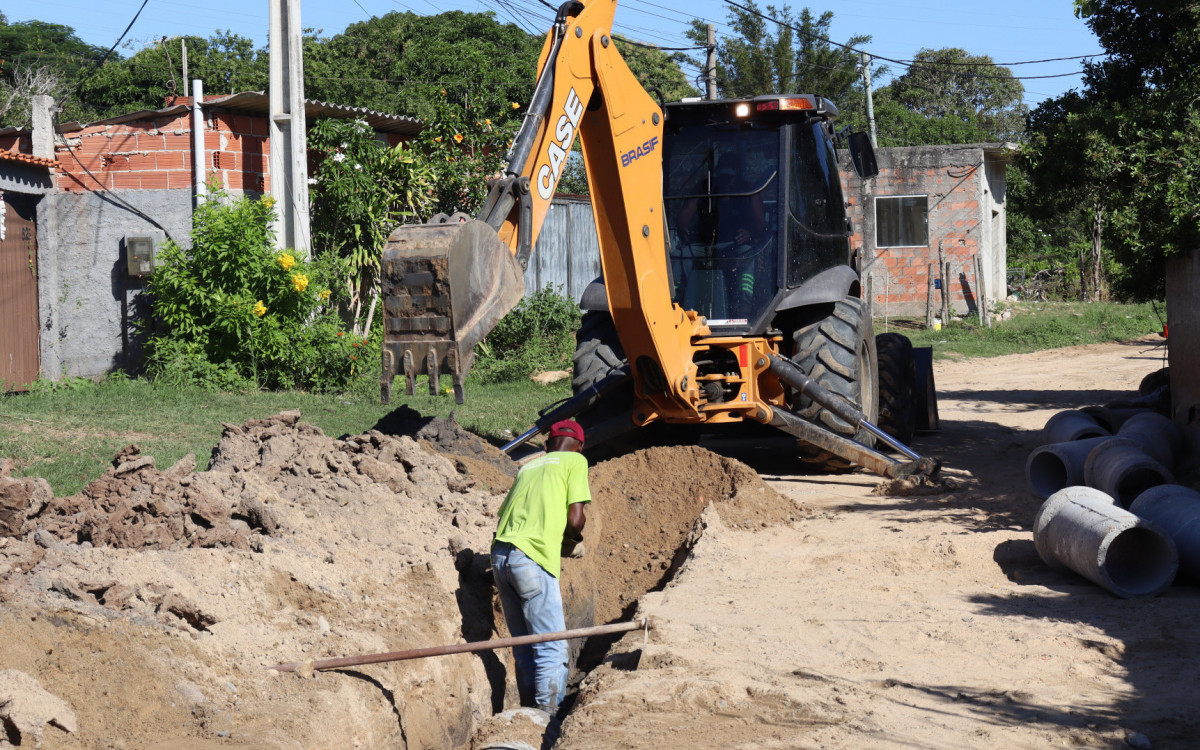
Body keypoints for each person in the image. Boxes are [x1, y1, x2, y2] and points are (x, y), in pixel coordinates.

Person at [491, 419, 591, 714]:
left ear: (547, 445)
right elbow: (575, 519)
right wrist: (570, 540)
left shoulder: (528, 467)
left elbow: (508, 518)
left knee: (524, 648)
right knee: (551, 648)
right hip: (531, 560)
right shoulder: (575, 460)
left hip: (500, 557)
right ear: (580, 445)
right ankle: (547, 722)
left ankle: (525, 718)